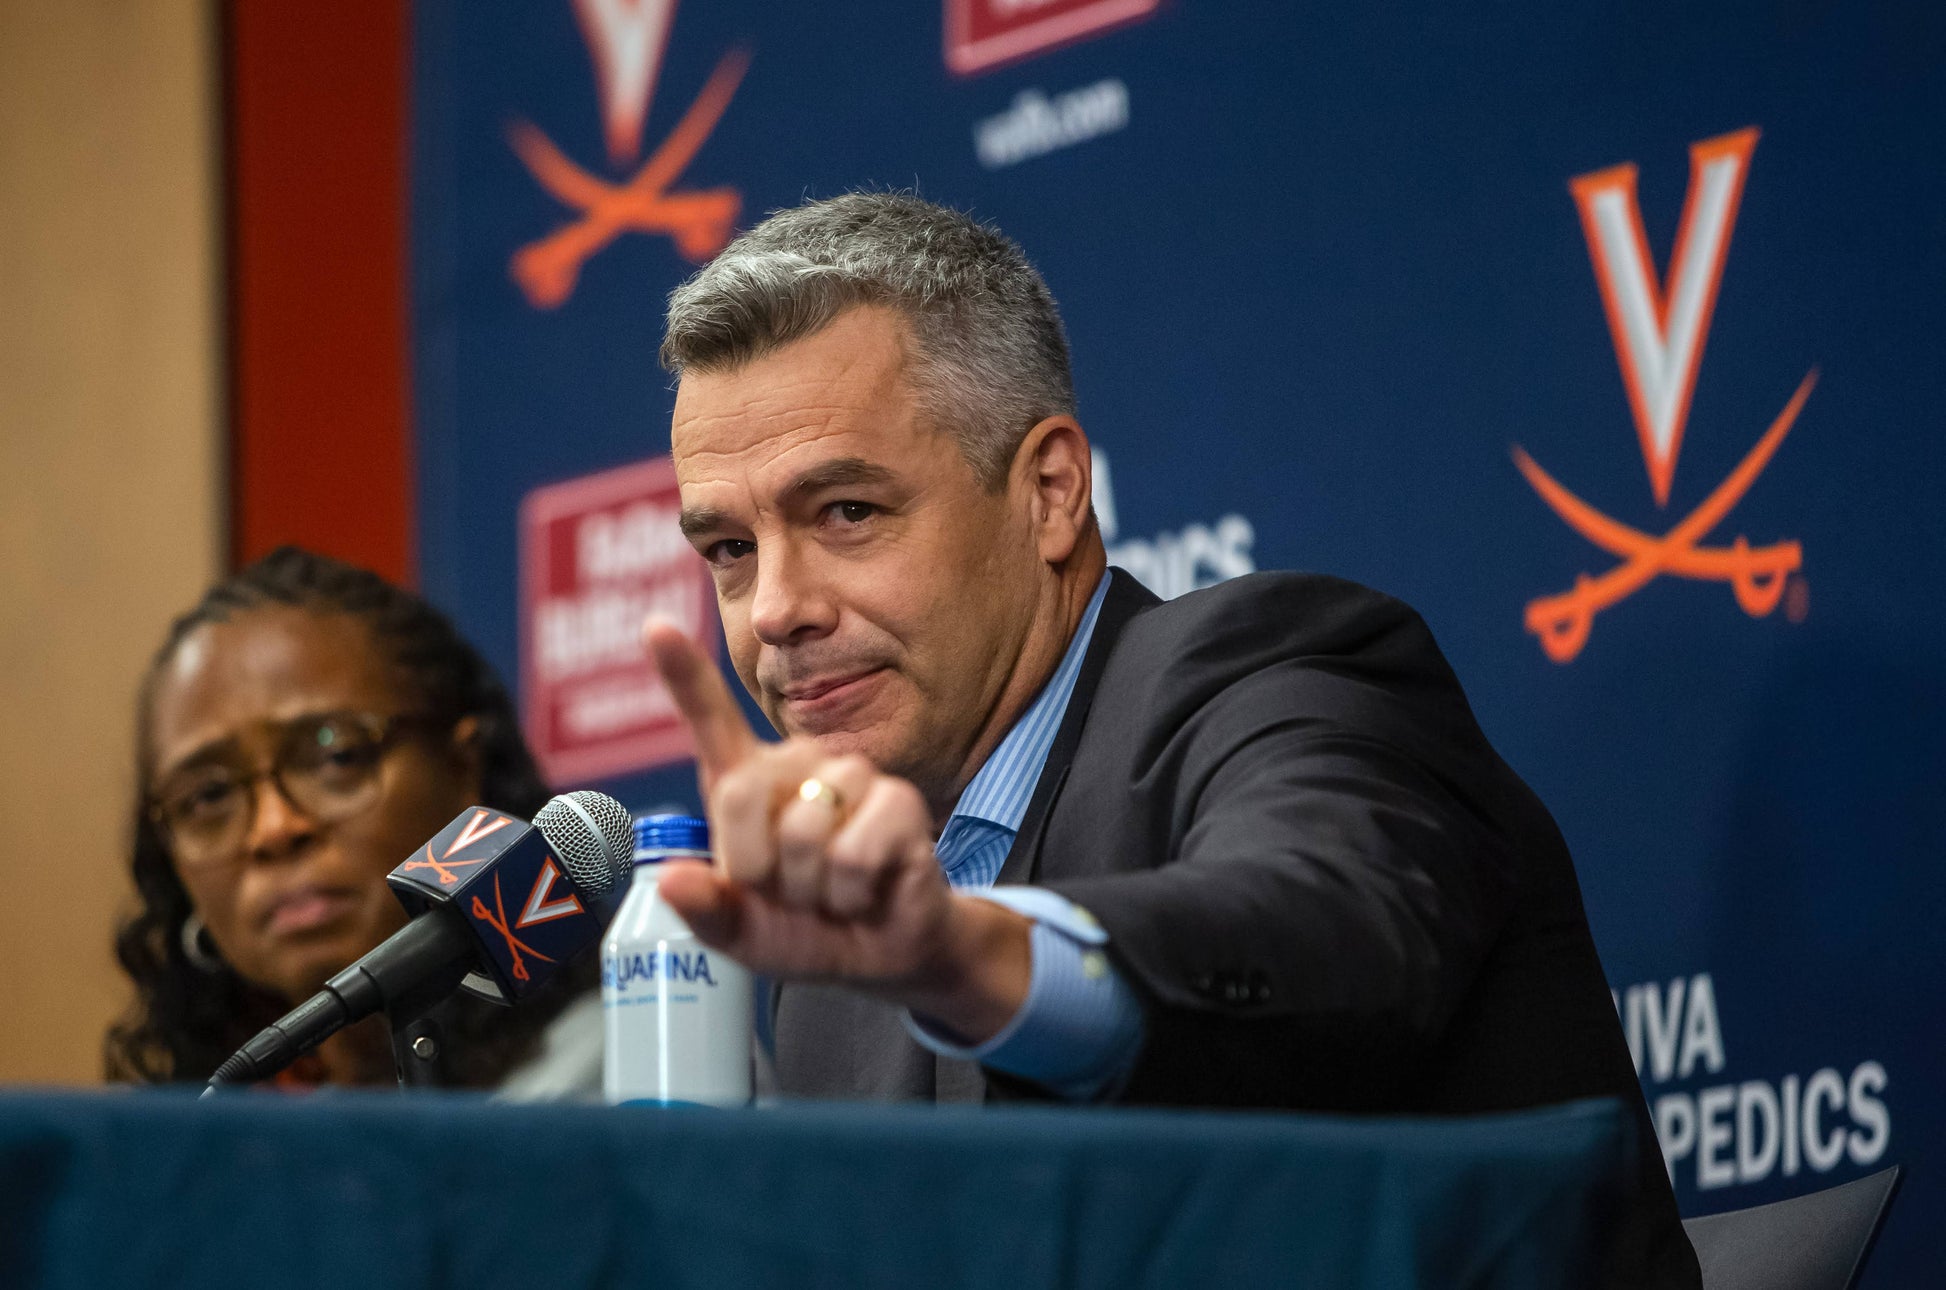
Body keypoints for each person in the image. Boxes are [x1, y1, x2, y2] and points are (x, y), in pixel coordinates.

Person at [639, 192, 1699, 1285]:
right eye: (728, 550)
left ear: (1051, 492)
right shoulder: (828, 972)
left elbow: (1324, 921)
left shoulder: (1274, 671)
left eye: (846, 513)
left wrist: (970, 956)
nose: (776, 608)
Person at [107, 546, 599, 1096]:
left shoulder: (634, 1078)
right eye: (208, 796)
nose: (273, 829)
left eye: (336, 756)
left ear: (462, 770)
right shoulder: (245, 1142)